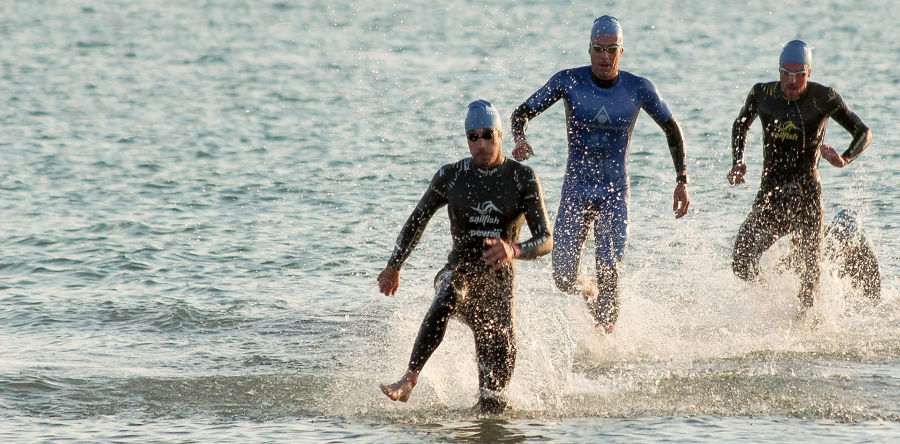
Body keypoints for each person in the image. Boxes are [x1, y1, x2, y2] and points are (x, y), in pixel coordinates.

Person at [510, 15, 690, 333]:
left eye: (612, 49)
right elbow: (522, 112)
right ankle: (587, 289)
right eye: (598, 49)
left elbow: (671, 128)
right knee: (564, 278)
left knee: (609, 270)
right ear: (589, 49)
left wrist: (682, 180)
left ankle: (606, 345)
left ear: (622, 50)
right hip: (577, 189)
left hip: (614, 192)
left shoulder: (639, 88)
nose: (605, 56)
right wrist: (520, 138)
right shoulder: (568, 82)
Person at [377, 100, 553, 413]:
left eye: (487, 135)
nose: (481, 144)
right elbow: (417, 221)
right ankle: (409, 379)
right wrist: (394, 266)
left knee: (493, 406)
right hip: (458, 271)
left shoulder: (522, 178)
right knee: (449, 293)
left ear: (500, 135)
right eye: (473, 137)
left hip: (498, 292)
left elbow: (545, 240)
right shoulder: (451, 176)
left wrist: (514, 249)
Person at [728, 40, 873, 309]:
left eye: (799, 74)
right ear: (779, 70)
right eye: (785, 72)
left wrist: (844, 159)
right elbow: (740, 124)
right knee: (741, 259)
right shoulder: (762, 94)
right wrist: (738, 160)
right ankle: (771, 300)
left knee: (809, 287)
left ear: (809, 73)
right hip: (771, 195)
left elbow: (863, 132)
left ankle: (841, 247)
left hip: (807, 197)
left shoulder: (823, 98)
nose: (791, 81)